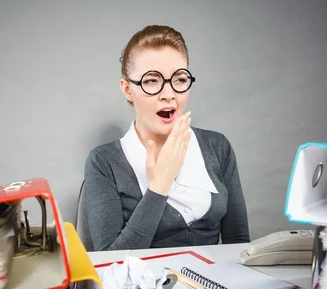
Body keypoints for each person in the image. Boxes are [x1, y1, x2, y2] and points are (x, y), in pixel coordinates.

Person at [84, 25, 250, 251]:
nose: (169, 94)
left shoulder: (217, 147)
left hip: (211, 284)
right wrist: (159, 187)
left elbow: (238, 243)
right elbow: (110, 261)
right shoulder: (103, 162)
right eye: (152, 81)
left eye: (180, 80)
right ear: (127, 89)